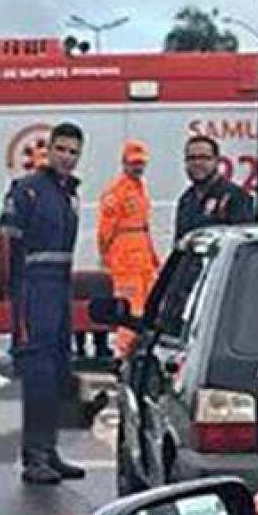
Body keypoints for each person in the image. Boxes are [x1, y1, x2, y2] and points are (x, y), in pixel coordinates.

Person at [0, 122, 87, 485]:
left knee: (58, 369)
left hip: (61, 286)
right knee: (35, 371)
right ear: (48, 151)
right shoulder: (27, 191)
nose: (67, 157)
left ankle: (49, 450)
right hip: (33, 288)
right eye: (61, 149)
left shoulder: (70, 194)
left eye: (73, 152)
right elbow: (5, 243)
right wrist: (12, 290)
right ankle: (33, 456)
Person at [97, 139, 160, 356]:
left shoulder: (140, 188)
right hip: (125, 260)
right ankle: (123, 353)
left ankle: (140, 350)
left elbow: (144, 225)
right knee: (128, 308)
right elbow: (105, 229)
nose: (138, 167)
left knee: (147, 306)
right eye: (134, 163)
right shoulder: (115, 192)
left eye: (141, 163)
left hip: (142, 258)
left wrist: (152, 255)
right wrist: (106, 255)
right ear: (124, 164)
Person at [174, 134, 257, 246]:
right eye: (191, 158)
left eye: (204, 158)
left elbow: (243, 243)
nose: (197, 163)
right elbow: (179, 244)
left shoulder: (235, 196)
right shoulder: (186, 199)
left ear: (217, 161)